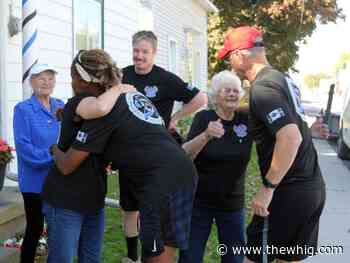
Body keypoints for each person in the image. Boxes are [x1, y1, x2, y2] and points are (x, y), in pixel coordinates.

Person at [49, 84, 198, 262]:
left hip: (158, 180)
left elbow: (67, 165)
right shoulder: (130, 99)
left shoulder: (103, 113)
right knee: (166, 242)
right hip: (183, 169)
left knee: (154, 250)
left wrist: (55, 148)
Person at [217, 26, 327, 263]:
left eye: (229, 56)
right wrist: (234, 109)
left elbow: (290, 137)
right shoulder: (281, 78)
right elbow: (289, 122)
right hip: (311, 188)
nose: (229, 62)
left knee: (254, 258)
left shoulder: (262, 88)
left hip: (286, 192)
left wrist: (267, 189)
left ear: (241, 54)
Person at [120, 30, 207, 263]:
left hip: (157, 156)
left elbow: (201, 98)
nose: (139, 56)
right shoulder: (122, 76)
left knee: (155, 208)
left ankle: (156, 252)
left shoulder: (166, 79)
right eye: (136, 51)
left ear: (154, 53)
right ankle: (131, 257)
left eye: (145, 52)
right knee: (130, 208)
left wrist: (176, 118)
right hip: (129, 151)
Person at [40, 49, 135, 263]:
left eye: (72, 76)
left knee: (91, 259)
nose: (71, 82)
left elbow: (100, 110)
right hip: (65, 200)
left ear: (80, 78)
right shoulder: (81, 103)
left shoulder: (100, 103)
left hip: (93, 200)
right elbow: (66, 166)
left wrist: (55, 148)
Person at [178, 70, 252, 263]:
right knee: (190, 258)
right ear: (216, 95)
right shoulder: (204, 118)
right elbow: (184, 154)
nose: (232, 94)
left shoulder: (247, 120)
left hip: (232, 204)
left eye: (236, 91)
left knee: (234, 259)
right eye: (227, 90)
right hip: (199, 202)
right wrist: (206, 136)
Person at [13, 64, 64, 263]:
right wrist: (56, 156)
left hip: (58, 179)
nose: (46, 82)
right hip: (34, 181)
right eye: (41, 78)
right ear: (31, 81)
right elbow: (24, 148)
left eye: (50, 78)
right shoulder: (23, 109)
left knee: (57, 230)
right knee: (34, 229)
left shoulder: (60, 105)